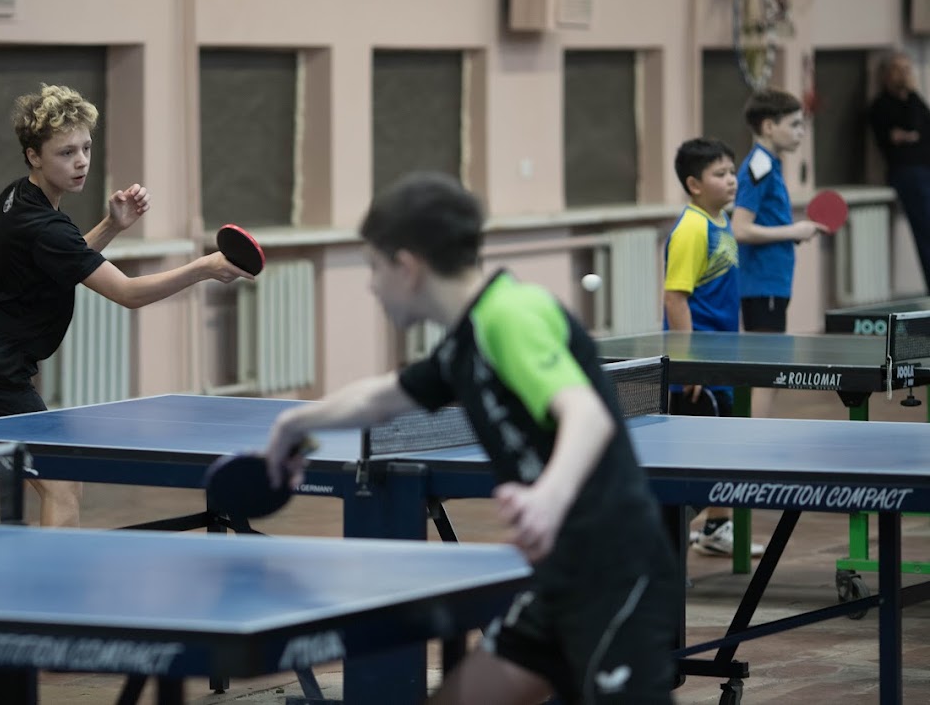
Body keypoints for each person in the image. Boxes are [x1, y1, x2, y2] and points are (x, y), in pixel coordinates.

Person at [263, 173, 676, 705]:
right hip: (558, 579)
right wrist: (294, 423)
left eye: (374, 267)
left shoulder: (510, 314)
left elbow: (586, 415)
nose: (371, 285)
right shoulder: (465, 342)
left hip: (615, 573)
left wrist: (548, 498)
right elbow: (382, 398)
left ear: (407, 266)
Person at [0, 84, 250, 527]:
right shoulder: (43, 224)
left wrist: (112, 225)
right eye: (66, 152)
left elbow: (64, 259)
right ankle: (53, 573)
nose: (81, 161)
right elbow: (127, 293)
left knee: (8, 470)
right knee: (62, 481)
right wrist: (204, 267)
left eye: (85, 147)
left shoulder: (19, 198)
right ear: (34, 156)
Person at [663, 137, 757, 558]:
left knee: (724, 452)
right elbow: (675, 299)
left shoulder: (721, 221)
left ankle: (716, 527)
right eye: (720, 174)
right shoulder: (692, 229)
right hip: (699, 365)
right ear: (694, 184)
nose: (732, 180)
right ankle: (659, 544)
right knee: (701, 463)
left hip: (722, 357)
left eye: (732, 171)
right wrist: (689, 365)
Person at [733, 90, 827, 418]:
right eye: (795, 124)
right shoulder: (758, 167)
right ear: (769, 126)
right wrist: (793, 232)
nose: (801, 132)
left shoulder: (770, 165)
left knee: (770, 366)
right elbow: (740, 228)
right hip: (762, 284)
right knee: (766, 369)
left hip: (772, 282)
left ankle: (758, 432)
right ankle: (757, 438)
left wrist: (794, 233)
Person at [868, 50, 930, 290]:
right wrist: (910, 93)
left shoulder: (916, 102)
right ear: (887, 75)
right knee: (925, 229)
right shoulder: (881, 106)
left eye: (907, 69)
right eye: (899, 69)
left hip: (925, 167)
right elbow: (909, 129)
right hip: (907, 173)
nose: (904, 75)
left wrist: (912, 95)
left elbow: (921, 132)